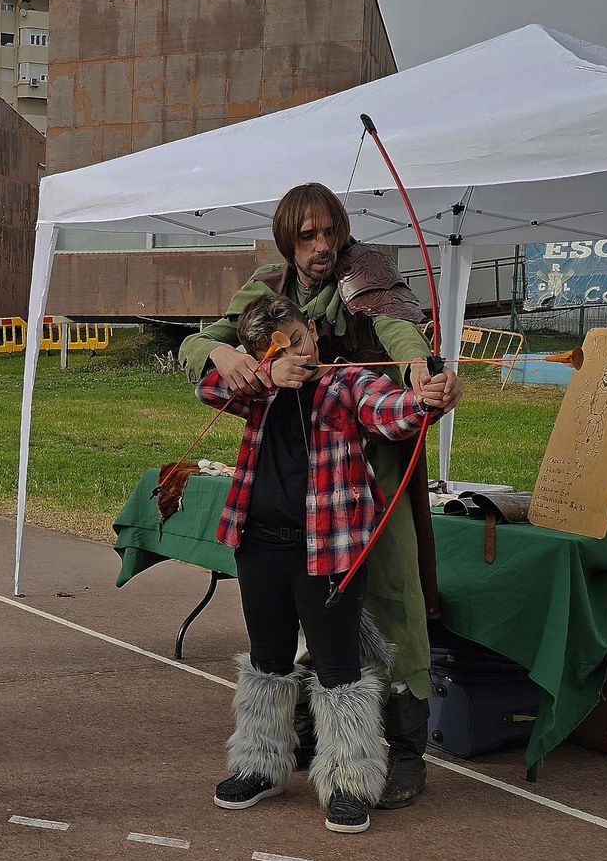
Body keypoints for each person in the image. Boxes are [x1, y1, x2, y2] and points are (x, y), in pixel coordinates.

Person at [179, 183, 461, 810]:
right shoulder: (267, 294)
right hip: (276, 513)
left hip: (361, 479)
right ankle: (277, 749)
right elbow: (202, 357)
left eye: (330, 232)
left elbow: (397, 355)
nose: (323, 247)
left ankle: (395, 753)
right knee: (272, 644)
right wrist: (227, 354)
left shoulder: (365, 279)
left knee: (392, 600)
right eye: (307, 236)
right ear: (287, 240)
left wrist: (423, 381)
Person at [202, 295, 444, 834]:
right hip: (258, 543)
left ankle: (349, 783)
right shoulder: (256, 390)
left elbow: (394, 413)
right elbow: (211, 387)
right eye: (279, 348)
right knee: (267, 660)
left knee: (338, 669)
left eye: (299, 339)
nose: (297, 353)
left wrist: (428, 397)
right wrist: (266, 372)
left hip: (328, 549)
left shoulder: (345, 383)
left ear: (313, 330)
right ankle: (259, 766)